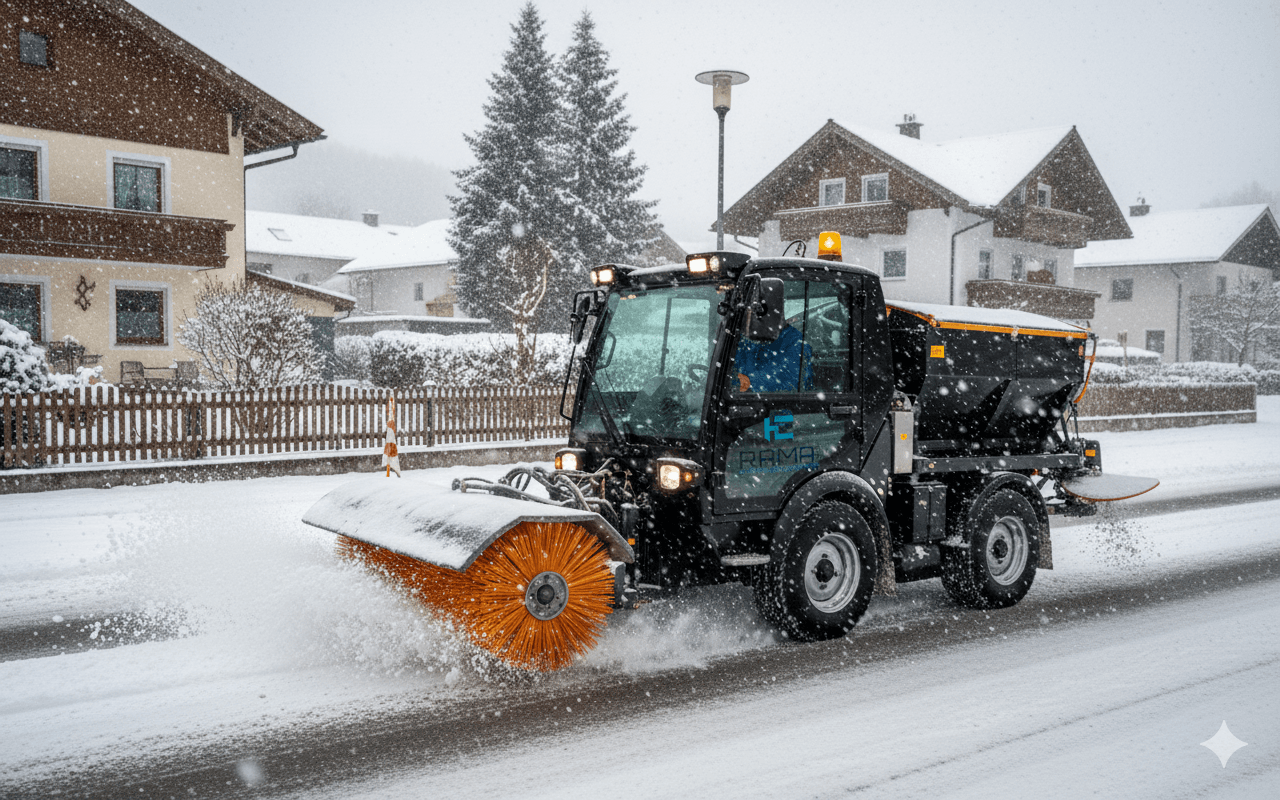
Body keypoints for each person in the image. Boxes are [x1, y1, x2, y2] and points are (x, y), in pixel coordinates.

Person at [736, 322, 811, 392]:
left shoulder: (796, 341)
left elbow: (787, 381)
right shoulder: (746, 339)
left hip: (773, 402)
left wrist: (746, 382)